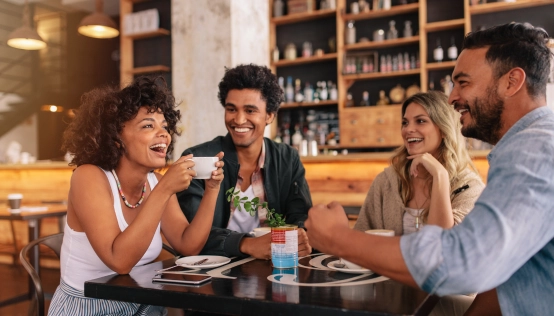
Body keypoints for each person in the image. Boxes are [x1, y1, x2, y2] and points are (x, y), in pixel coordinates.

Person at [305, 22, 554, 316]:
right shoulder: (525, 148)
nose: (452, 97)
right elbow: (504, 280)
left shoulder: (534, 150)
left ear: (511, 82)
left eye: (463, 82)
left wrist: (338, 238)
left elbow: (460, 264)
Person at [49, 76, 224, 315]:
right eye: (148, 125)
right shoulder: (88, 177)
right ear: (116, 138)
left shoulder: (156, 181)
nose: (163, 133)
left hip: (143, 302)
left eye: (164, 126)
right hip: (89, 306)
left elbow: (188, 244)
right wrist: (164, 190)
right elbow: (119, 261)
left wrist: (212, 190)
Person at [177, 64, 312, 260]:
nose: (239, 120)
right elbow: (189, 234)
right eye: (231, 109)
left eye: (250, 110)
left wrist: (300, 238)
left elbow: (301, 218)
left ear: (270, 115)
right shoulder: (198, 159)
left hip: (274, 267)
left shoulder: (287, 159)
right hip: (211, 272)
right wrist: (246, 244)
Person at [354, 91, 484, 236]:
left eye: (420, 121)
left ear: (444, 129)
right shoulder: (386, 182)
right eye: (405, 123)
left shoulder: (470, 189)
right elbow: (359, 239)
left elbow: (444, 245)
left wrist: (439, 175)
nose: (408, 130)